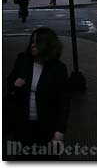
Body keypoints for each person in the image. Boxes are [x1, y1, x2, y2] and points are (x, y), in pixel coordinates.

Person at [6, 27, 70, 160]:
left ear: (48, 45)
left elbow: (63, 102)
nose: (33, 44)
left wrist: (59, 131)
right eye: (32, 41)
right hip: (23, 125)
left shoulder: (58, 69)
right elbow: (10, 81)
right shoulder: (23, 60)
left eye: (37, 42)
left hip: (46, 128)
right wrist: (14, 83)